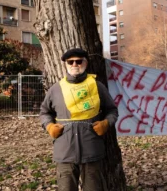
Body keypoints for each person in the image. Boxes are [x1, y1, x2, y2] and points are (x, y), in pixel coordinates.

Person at [40, 48, 118, 191]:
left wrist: (106, 123)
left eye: (79, 61)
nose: (75, 64)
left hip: (92, 149)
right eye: (71, 62)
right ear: (66, 64)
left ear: (85, 63)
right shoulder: (55, 89)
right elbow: (44, 112)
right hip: (65, 150)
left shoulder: (97, 86)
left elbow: (112, 110)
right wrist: (49, 126)